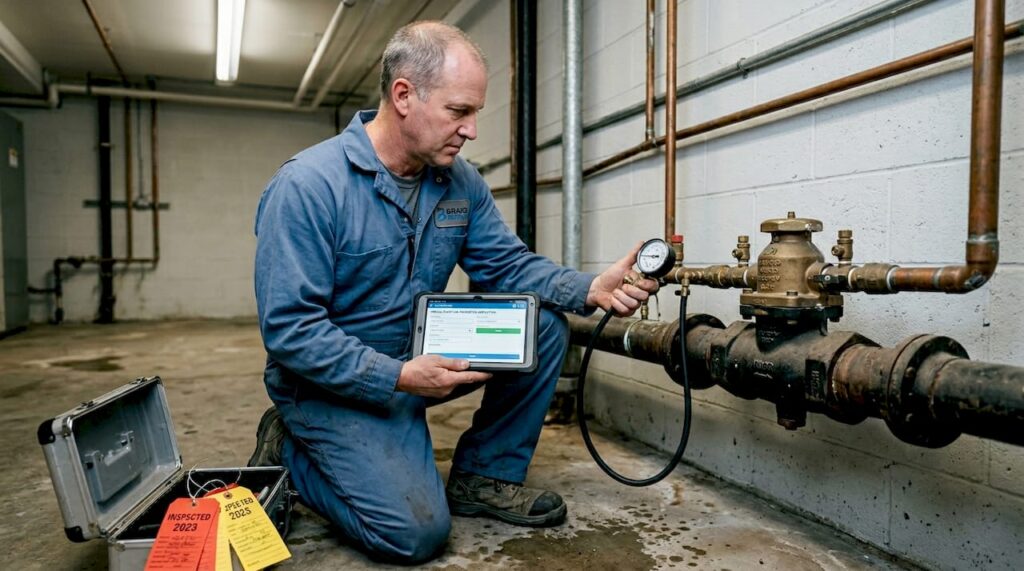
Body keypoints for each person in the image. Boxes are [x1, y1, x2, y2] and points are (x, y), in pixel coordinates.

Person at [250, 21, 658, 564]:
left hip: (418, 358)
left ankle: (484, 476)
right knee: (413, 536)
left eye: (475, 114)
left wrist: (589, 287)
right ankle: (292, 452)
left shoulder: (458, 182)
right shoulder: (308, 186)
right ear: (403, 96)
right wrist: (398, 377)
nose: (470, 131)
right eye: (458, 112)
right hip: (332, 386)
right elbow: (290, 331)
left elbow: (506, 265)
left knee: (543, 326)